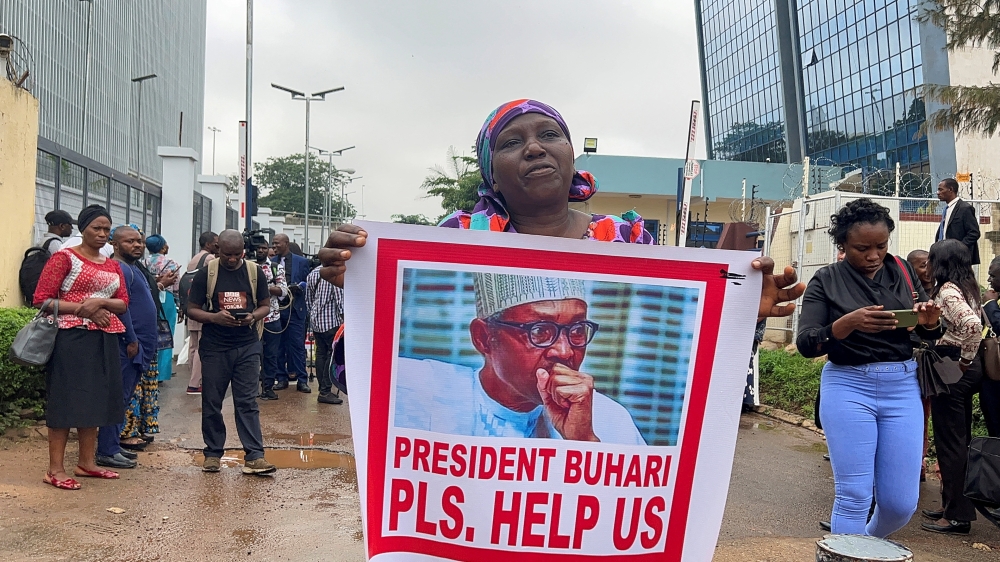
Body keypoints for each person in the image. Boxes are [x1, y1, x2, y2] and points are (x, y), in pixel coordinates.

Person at [797, 198, 943, 537]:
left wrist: (929, 321)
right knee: (854, 495)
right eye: (862, 248)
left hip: (902, 386)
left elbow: (926, 334)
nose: (874, 255)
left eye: (881, 246)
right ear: (843, 245)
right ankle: (847, 555)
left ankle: (861, 545)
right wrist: (845, 324)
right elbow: (806, 343)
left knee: (900, 503)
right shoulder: (826, 280)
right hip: (849, 385)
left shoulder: (903, 271)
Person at [397, 273, 643, 443]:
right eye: (540, 331)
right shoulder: (412, 391)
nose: (565, 351)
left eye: (577, 331)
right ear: (483, 338)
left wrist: (583, 443)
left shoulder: (611, 420)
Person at [33, 204, 129, 489]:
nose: (101, 234)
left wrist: (100, 303)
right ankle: (55, 469)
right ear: (82, 229)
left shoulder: (112, 264)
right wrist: (83, 309)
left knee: (96, 400)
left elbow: (123, 302)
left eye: (106, 230)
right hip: (70, 339)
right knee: (66, 400)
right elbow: (42, 299)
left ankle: (87, 462)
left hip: (104, 337)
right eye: (96, 228)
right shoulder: (64, 258)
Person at [186, 230, 276, 475]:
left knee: (247, 401)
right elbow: (192, 309)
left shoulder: (254, 272)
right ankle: (213, 454)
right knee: (212, 401)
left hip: (247, 345)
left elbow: (265, 305)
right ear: (218, 251)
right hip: (215, 347)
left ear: (243, 252)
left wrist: (252, 316)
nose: (233, 260)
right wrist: (215, 317)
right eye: (228, 255)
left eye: (237, 254)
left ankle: (255, 456)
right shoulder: (208, 273)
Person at [919, 239, 984, 535]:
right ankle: (950, 506)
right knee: (960, 438)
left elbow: (971, 326)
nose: (929, 265)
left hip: (953, 370)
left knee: (951, 442)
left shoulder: (947, 291)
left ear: (941, 262)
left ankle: (957, 515)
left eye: (932, 259)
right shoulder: (969, 287)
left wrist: (963, 361)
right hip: (965, 371)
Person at [96, 226, 158, 469]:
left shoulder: (133, 268)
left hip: (140, 345)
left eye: (139, 241)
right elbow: (121, 308)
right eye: (130, 241)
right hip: (129, 346)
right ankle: (107, 450)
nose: (137, 245)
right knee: (117, 397)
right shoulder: (120, 268)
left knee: (124, 396)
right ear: (115, 244)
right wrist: (131, 339)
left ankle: (112, 444)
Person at [271, 233, 312, 392]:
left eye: (277, 243)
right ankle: (281, 378)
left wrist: (300, 286)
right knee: (278, 345)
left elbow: (308, 282)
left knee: (297, 346)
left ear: (286, 243)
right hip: (277, 309)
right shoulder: (271, 262)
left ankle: (302, 380)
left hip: (295, 309)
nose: (274, 247)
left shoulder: (301, 262)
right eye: (273, 244)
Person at [185, 231, 219, 394]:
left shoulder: (194, 259)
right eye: (216, 243)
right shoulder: (210, 259)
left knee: (193, 345)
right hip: (203, 308)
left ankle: (193, 379)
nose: (218, 246)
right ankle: (196, 382)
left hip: (191, 306)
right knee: (201, 345)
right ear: (208, 244)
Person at [305, 264, 344, 405]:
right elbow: (340, 301)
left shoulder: (313, 272)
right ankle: (325, 391)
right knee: (330, 355)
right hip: (331, 321)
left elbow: (308, 299)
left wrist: (313, 315)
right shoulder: (335, 273)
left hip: (316, 321)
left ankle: (323, 389)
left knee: (321, 354)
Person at [144, 235, 181, 382]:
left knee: (151, 332)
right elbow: (176, 287)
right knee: (166, 334)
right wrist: (178, 303)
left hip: (150, 297)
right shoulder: (172, 264)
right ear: (163, 247)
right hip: (167, 299)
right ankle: (162, 373)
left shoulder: (143, 262)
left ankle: (149, 369)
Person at [255, 242, 288, 401]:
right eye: (257, 247)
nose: (260, 250)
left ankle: (268, 388)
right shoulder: (247, 266)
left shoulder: (276, 267)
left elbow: (282, 290)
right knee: (252, 355)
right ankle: (252, 388)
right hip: (252, 319)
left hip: (272, 317)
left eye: (263, 247)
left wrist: (263, 287)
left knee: (270, 355)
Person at [977, 256, 1000, 437]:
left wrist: (990, 305)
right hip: (991, 375)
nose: (989, 280)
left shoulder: (992, 301)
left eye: (993, 276)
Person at [935, 178, 981, 265]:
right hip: (944, 254)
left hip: (958, 259)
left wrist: (958, 249)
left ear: (950, 190)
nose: (938, 192)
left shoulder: (965, 208)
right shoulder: (946, 209)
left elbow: (974, 233)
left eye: (941, 189)